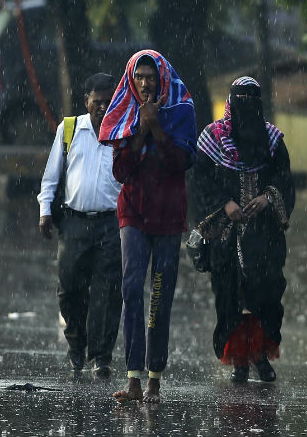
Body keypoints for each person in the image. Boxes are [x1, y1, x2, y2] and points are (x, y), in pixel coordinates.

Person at [99, 50, 197, 403]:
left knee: (160, 293)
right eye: (138, 77)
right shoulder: (123, 110)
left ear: (162, 79)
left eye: (150, 77)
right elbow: (121, 171)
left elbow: (180, 163)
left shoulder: (181, 109)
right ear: (130, 80)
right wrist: (141, 129)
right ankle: (133, 378)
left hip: (169, 215)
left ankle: (154, 377)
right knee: (131, 288)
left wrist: (157, 126)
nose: (144, 83)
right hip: (133, 213)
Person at [194, 76, 294, 383]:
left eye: (252, 99)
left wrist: (268, 198)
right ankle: (238, 358)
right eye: (241, 99)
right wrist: (225, 204)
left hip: (264, 236)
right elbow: (199, 181)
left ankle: (260, 355)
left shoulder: (272, 140)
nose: (246, 106)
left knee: (264, 295)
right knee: (230, 296)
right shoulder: (212, 139)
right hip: (227, 236)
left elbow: (284, 178)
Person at [37, 73, 122, 376]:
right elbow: (51, 177)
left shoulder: (124, 132)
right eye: (97, 101)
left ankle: (101, 356)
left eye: (109, 101)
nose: (103, 107)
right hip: (74, 222)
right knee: (69, 288)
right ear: (86, 101)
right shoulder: (69, 129)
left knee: (108, 291)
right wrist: (45, 211)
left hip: (112, 224)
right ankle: (76, 345)